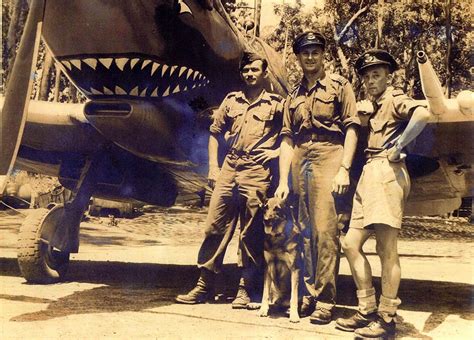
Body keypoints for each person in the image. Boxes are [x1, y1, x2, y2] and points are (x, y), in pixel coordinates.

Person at [175, 52, 284, 309]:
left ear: (264, 73)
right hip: (229, 167)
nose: (250, 74)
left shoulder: (277, 104)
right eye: (246, 70)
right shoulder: (231, 100)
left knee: (250, 231)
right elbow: (214, 133)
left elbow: (293, 134)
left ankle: (245, 288)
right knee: (214, 226)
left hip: (257, 170)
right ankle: (204, 285)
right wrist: (214, 167)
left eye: (255, 69)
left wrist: (276, 152)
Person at [335, 49, 431, 338]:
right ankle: (366, 310)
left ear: (388, 76)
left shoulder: (394, 98)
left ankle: (387, 319)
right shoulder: (371, 106)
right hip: (369, 171)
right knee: (351, 243)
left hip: (387, 172)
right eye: (366, 76)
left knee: (386, 248)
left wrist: (400, 144)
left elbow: (423, 113)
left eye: (376, 74)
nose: (370, 80)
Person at [274, 31, 360, 324]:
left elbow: (351, 128)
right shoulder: (293, 95)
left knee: (325, 230)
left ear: (324, 55)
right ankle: (309, 293)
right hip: (300, 157)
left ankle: (325, 299)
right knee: (302, 230)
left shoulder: (339, 86)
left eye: (315, 52)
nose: (310, 57)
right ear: (298, 57)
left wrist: (345, 168)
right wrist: (284, 180)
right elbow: (286, 139)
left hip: (329, 153)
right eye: (304, 52)